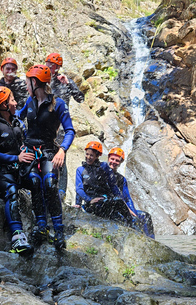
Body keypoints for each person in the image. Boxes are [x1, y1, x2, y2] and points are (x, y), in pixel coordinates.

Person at [16, 64, 75, 250]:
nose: (26, 86)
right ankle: (41, 226)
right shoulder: (30, 101)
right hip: (30, 151)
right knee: (34, 182)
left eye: (27, 82)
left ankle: (58, 231)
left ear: (35, 82)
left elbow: (70, 131)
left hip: (49, 151)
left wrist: (62, 150)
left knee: (49, 183)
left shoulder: (57, 104)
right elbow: (17, 116)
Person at [0, 86, 35, 255]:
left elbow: (23, 143)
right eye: (12, 100)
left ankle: (42, 225)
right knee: (11, 190)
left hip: (17, 170)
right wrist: (16, 158)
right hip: (0, 172)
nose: (16, 103)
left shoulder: (16, 122)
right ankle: (17, 236)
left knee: (36, 180)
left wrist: (26, 153)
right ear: (3, 105)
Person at [45, 53, 85, 201]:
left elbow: (80, 98)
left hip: (62, 127)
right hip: (46, 125)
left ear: (58, 68)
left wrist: (69, 84)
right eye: (48, 63)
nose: (50, 67)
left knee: (61, 159)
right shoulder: (43, 80)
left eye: (53, 65)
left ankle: (61, 192)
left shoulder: (64, 81)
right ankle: (48, 187)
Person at [75, 142, 133, 227]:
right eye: (87, 154)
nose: (88, 157)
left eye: (91, 155)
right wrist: (83, 202)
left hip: (105, 200)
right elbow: (79, 189)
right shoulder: (80, 170)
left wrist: (126, 206)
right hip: (91, 203)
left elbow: (113, 187)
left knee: (119, 203)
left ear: (97, 156)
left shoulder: (104, 167)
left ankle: (131, 226)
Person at [107, 147, 154, 238]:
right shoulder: (101, 172)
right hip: (109, 207)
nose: (114, 162)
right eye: (112, 159)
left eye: (117, 160)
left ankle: (151, 241)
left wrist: (133, 213)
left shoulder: (121, 179)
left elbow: (127, 198)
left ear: (120, 163)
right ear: (108, 158)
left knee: (145, 216)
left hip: (121, 208)